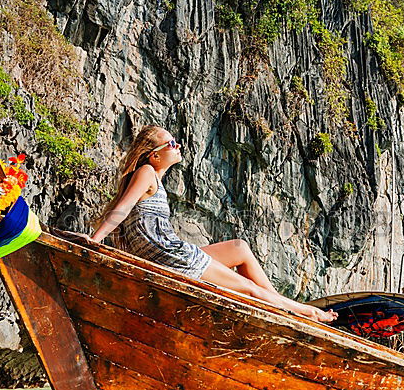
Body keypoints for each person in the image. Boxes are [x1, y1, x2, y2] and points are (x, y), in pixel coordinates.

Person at [87, 125, 337, 323]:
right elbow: (122, 209)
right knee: (248, 288)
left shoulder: (154, 180)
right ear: (155, 155)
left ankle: (280, 302)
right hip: (170, 256)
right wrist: (95, 241)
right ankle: (305, 312)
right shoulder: (146, 173)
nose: (178, 146)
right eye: (171, 144)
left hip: (171, 251)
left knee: (239, 248)